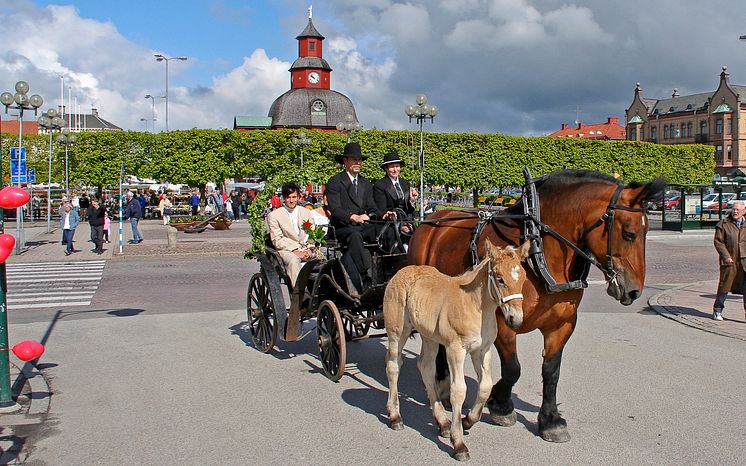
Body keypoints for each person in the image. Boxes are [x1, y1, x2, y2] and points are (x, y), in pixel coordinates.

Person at [326, 142, 381, 293]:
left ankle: (387, 271)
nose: (358, 162)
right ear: (345, 161)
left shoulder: (365, 183)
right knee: (355, 235)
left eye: (360, 159)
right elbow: (335, 210)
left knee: (385, 230)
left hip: (362, 226)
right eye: (354, 159)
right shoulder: (335, 182)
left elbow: (372, 208)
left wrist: (375, 215)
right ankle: (365, 276)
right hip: (342, 228)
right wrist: (354, 217)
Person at [266, 182, 314, 288]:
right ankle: (300, 294)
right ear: (284, 198)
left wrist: (310, 248)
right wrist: (295, 250)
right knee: (293, 261)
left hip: (306, 248)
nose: (291, 200)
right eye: (288, 197)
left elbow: (312, 233)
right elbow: (277, 239)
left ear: (298, 197)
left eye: (294, 197)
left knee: (326, 259)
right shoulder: (274, 215)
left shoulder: (306, 212)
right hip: (286, 250)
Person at [373, 151, 419, 252]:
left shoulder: (405, 183)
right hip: (390, 224)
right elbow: (381, 209)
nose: (395, 169)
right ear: (386, 168)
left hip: (407, 221)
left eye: (397, 166)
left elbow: (408, 209)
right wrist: (399, 225)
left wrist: (412, 200)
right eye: (392, 167)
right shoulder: (380, 185)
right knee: (393, 235)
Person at [713, 200, 746, 321]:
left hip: (744, 261)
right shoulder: (724, 224)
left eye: (738, 210)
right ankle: (717, 310)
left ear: (744, 211)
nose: (735, 211)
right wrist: (726, 256)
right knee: (724, 286)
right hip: (730, 260)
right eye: (733, 209)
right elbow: (718, 242)